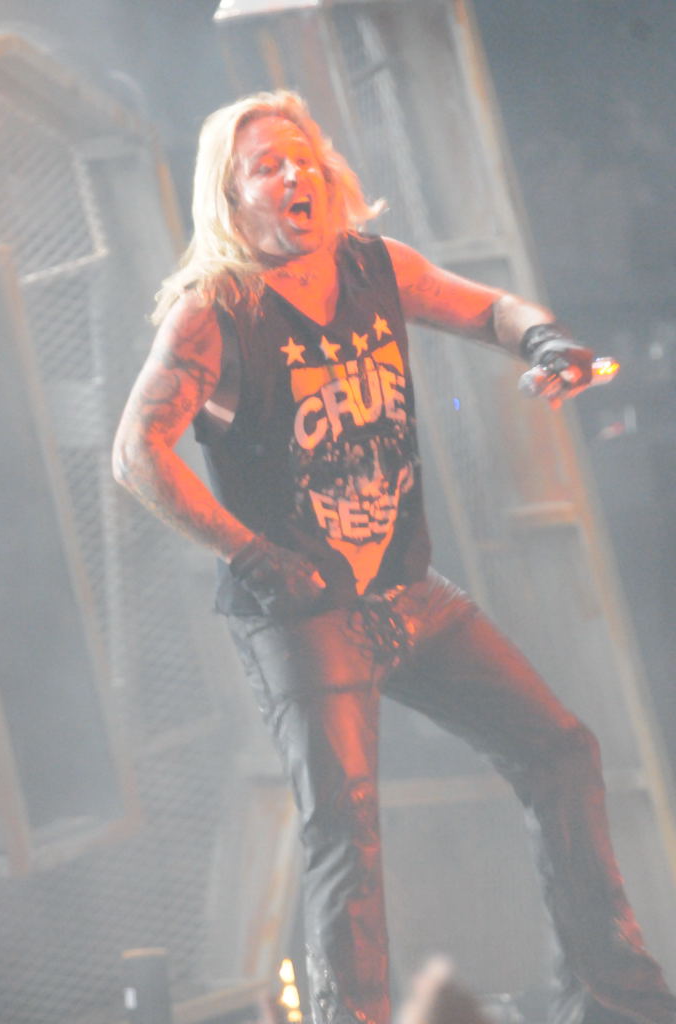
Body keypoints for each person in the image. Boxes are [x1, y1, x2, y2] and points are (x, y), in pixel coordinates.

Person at [112, 90, 676, 1024]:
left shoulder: (372, 265)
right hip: (302, 611)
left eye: (304, 157)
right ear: (231, 195)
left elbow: (490, 308)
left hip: (407, 590)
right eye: (267, 166)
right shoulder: (216, 309)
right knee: (346, 831)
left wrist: (545, 341)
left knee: (561, 750)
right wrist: (252, 555)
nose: (294, 176)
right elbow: (138, 453)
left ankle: (611, 997)